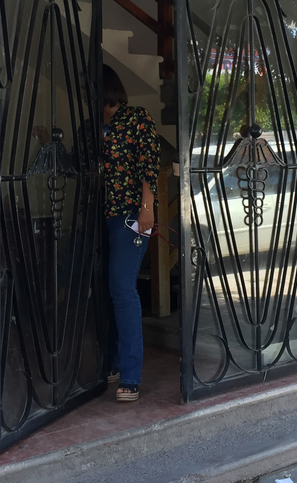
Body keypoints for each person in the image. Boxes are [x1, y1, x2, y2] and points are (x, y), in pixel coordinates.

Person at [102, 65, 159, 402]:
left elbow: (148, 164)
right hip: (103, 217)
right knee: (108, 289)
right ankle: (111, 361)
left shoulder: (136, 118)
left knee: (123, 288)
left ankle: (130, 374)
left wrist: (147, 207)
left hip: (129, 216)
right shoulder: (96, 127)